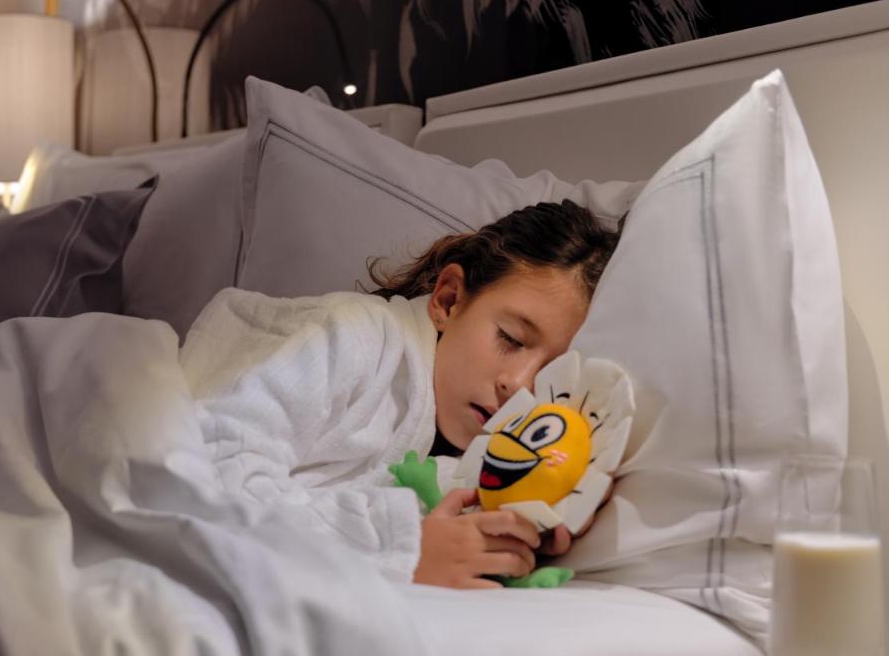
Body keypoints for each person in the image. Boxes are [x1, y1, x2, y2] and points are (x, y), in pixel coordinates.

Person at [179, 199, 621, 589]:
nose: (519, 384)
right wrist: (403, 550)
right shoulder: (354, 336)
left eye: (548, 373)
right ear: (448, 300)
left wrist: (531, 524)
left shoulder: (476, 457)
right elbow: (212, 468)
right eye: (510, 338)